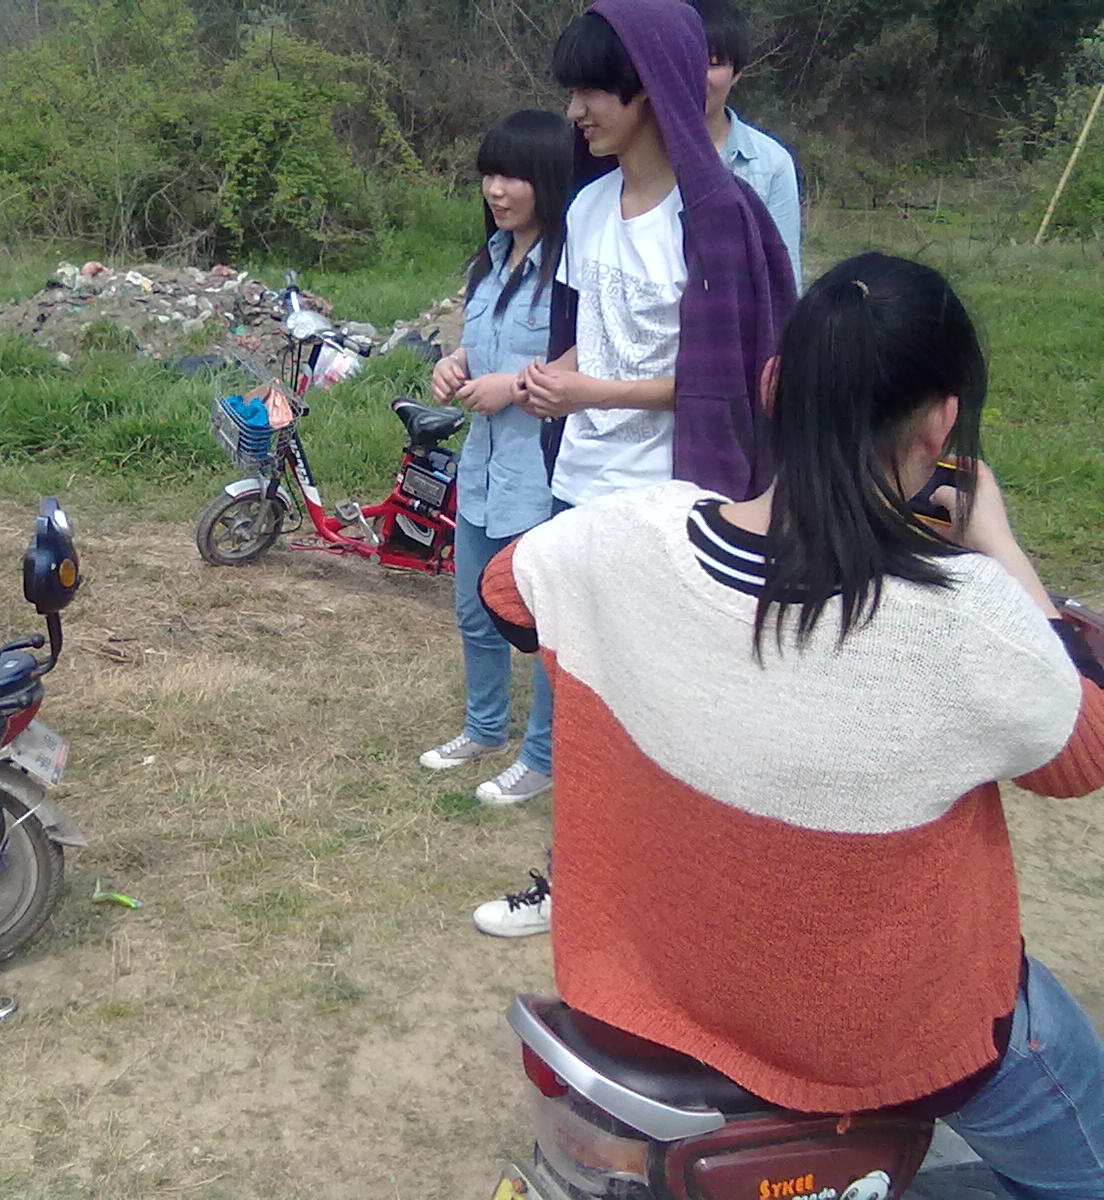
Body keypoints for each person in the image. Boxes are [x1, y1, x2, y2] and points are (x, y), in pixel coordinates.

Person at [482, 253, 1104, 1194]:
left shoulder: (618, 537)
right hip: (880, 1033)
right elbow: (1080, 753)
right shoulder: (968, 618)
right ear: (941, 425)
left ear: (774, 386)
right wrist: (999, 544)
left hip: (650, 989)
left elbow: (507, 594)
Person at [472, 0, 797, 937]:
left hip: (674, 503)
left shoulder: (719, 218)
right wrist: (553, 381)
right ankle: (577, 882)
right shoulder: (585, 208)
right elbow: (590, 340)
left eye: (592, 91)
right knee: (583, 698)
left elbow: (731, 379)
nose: (575, 112)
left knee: (669, 711)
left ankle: (689, 895)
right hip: (579, 487)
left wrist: (595, 392)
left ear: (649, 88)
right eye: (571, 91)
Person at [420, 110, 576, 811]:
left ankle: (541, 757)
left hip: (541, 475)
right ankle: (483, 730)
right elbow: (478, 343)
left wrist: (513, 386)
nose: (496, 190)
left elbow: (589, 359)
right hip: (482, 468)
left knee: (541, 622)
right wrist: (454, 364)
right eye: (488, 175)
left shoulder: (572, 269)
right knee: (473, 608)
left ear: (548, 179)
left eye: (513, 176)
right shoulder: (490, 260)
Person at [686, 0, 802, 285]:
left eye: (714, 64)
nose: (699, 76)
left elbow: (784, 280)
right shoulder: (639, 155)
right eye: (687, 58)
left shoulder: (771, 163)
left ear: (736, 72)